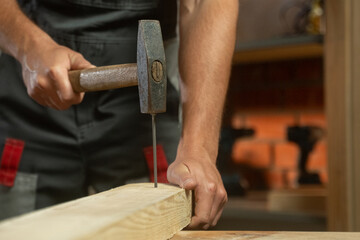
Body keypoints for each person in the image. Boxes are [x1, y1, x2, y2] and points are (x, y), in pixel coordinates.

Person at [0, 0, 238, 229]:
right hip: (29, 101)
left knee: (162, 221)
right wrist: (28, 46)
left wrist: (199, 148)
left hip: (137, 125)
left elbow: (204, 2)